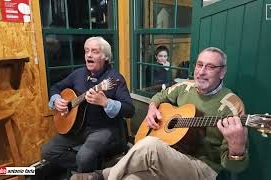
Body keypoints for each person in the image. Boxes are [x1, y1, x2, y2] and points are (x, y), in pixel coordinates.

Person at [71, 47, 248, 180]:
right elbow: (159, 96)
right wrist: (152, 108)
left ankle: (102, 176)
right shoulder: (185, 87)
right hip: (171, 152)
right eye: (199, 65)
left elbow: (235, 167)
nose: (201, 72)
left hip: (201, 168)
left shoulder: (232, 106)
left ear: (222, 72)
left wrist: (237, 147)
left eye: (210, 67)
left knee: (149, 145)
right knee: (129, 178)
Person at [41, 36, 135, 173]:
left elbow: (130, 110)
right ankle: (94, 169)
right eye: (86, 51)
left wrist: (106, 102)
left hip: (104, 129)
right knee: (47, 151)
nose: (89, 55)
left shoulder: (115, 79)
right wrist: (56, 100)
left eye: (95, 51)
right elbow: (56, 87)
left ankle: (87, 170)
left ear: (106, 57)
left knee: (84, 157)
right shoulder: (78, 74)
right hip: (78, 128)